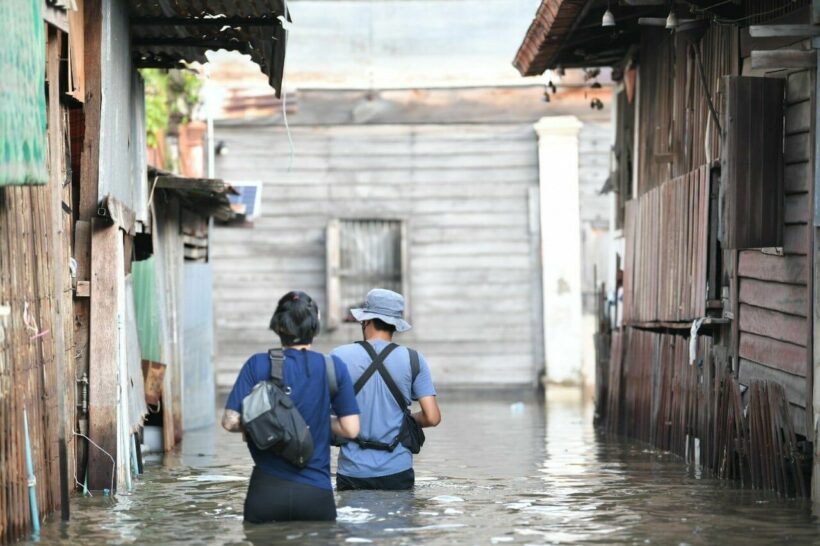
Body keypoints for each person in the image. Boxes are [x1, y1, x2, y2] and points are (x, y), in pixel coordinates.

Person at [222, 291, 360, 522]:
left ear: (278, 326)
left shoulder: (257, 363)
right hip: (316, 494)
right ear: (314, 326)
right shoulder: (333, 367)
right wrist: (312, 419)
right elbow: (351, 430)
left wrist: (267, 423)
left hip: (265, 493)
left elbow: (230, 421)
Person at [331, 288, 441, 491]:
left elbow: (322, 410)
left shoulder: (338, 356)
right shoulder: (414, 359)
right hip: (397, 470)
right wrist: (406, 420)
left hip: (352, 472)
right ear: (395, 325)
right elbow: (432, 417)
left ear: (366, 321)